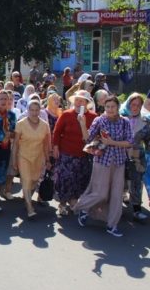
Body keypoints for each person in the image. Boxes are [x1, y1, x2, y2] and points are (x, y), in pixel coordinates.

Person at [74, 96, 132, 237]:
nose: (110, 109)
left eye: (113, 106)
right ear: (104, 108)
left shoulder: (125, 122)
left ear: (118, 107)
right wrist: (82, 124)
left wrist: (112, 142)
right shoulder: (99, 120)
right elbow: (87, 138)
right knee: (100, 193)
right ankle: (81, 207)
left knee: (116, 195)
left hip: (118, 162)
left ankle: (112, 225)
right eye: (107, 107)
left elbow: (129, 142)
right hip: (102, 161)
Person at [52, 90, 97, 216]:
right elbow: (56, 132)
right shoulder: (66, 114)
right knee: (65, 179)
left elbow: (94, 136)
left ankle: (73, 202)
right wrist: (55, 147)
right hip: (66, 153)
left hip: (83, 155)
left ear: (87, 103)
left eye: (82, 100)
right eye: (77, 100)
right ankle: (62, 204)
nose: (78, 102)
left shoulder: (93, 117)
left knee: (79, 180)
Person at [13, 100, 51, 218]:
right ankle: (30, 208)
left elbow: (45, 144)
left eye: (36, 110)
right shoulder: (21, 123)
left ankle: (27, 197)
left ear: (40, 111)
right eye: (32, 110)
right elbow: (15, 144)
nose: (34, 113)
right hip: (23, 156)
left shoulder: (45, 125)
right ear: (27, 110)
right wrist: (14, 160)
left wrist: (48, 160)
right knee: (27, 180)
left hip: (38, 157)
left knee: (34, 180)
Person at [124, 93, 149, 220]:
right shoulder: (121, 118)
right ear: (129, 104)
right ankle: (117, 204)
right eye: (133, 104)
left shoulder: (146, 121)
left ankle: (136, 209)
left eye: (138, 105)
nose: (135, 107)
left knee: (136, 182)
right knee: (120, 180)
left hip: (137, 156)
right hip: (121, 154)